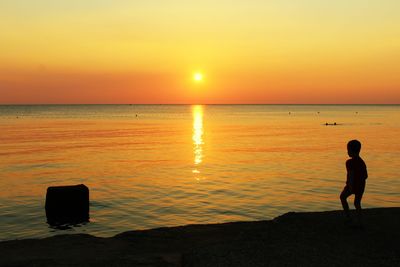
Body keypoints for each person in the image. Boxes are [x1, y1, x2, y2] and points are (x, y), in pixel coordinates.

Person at [340, 140, 368, 226]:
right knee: (357, 203)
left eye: (348, 150)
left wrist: (350, 186)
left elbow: (350, 175)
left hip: (352, 185)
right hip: (361, 185)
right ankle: (360, 221)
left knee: (342, 197)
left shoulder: (349, 162)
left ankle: (348, 216)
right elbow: (366, 176)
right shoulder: (362, 162)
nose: (347, 152)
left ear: (351, 151)